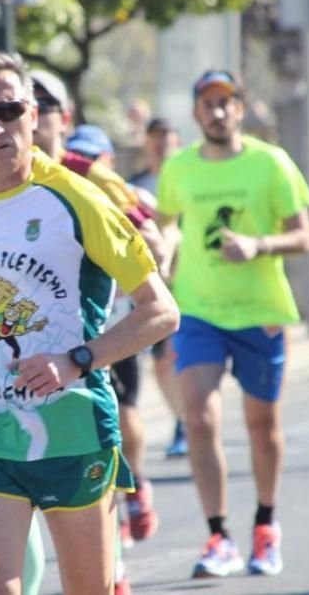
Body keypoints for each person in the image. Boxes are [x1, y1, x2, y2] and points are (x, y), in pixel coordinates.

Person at [0, 51, 179, 595]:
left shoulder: (78, 200)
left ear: (33, 114)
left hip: (71, 426)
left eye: (8, 109)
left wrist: (77, 360)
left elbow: (161, 311)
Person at [157, 69, 309, 578]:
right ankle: (218, 536)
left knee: (261, 426)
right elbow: (165, 225)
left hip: (260, 312)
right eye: (208, 103)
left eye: (227, 102)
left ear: (240, 108)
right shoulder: (178, 168)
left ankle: (266, 526)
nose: (218, 111)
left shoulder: (272, 164)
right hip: (198, 310)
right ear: (196, 112)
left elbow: (303, 237)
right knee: (199, 420)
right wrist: (161, 250)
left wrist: (259, 246)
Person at [31, 71, 167, 554]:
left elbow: (156, 245)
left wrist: (146, 254)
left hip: (98, 336)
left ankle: (132, 495)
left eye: (42, 104)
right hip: (10, 366)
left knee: (126, 414)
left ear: (62, 118)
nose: (27, 114)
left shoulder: (91, 176)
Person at [128, 117, 188, 459]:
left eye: (168, 137)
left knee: (180, 356)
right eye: (155, 137)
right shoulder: (135, 184)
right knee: (163, 363)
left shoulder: (188, 176)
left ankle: (189, 420)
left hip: (188, 281)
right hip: (155, 283)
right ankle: (182, 419)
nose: (162, 144)